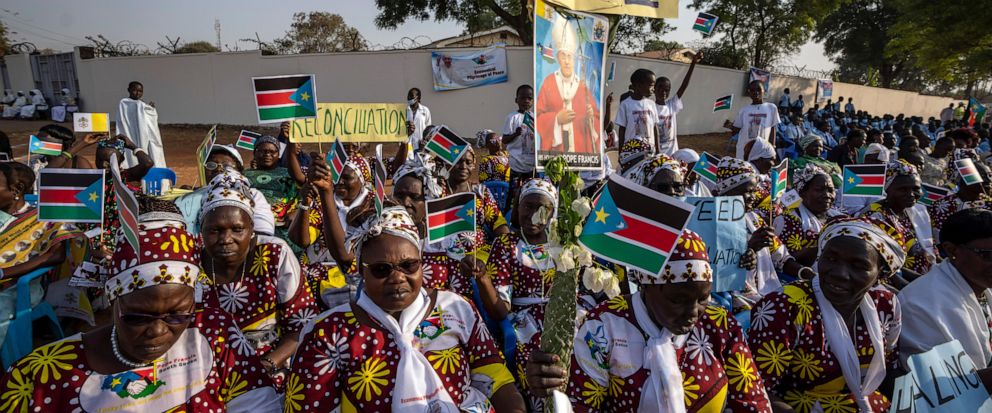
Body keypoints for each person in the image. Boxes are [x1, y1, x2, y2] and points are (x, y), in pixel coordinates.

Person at [2, 212, 282, 412]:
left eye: (177, 315)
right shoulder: (41, 375)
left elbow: (257, 402)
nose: (158, 331)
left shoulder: (213, 333)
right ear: (113, 303)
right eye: (137, 317)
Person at [286, 206, 526, 412]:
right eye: (381, 269)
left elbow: (494, 376)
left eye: (409, 265)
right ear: (361, 271)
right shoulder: (328, 332)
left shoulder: (456, 308)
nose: (397, 278)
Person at [525, 229, 772, 412]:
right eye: (678, 300)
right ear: (646, 286)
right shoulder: (603, 327)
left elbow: (752, 403)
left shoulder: (721, 326)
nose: (693, 311)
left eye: (703, 298)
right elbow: (583, 406)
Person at [748, 217, 905, 413]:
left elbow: (889, 370)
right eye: (831, 258)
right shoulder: (785, 306)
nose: (839, 273)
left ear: (880, 274)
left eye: (858, 266)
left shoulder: (886, 304)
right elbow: (757, 389)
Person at [197, 168, 318, 387]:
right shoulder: (191, 262)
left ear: (252, 228)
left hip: (271, 366)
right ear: (201, 230)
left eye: (237, 229)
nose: (226, 239)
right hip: (205, 371)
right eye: (214, 230)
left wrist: (265, 366)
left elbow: (302, 324)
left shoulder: (274, 254)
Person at [477, 179, 564, 410]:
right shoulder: (507, 244)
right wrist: (482, 278)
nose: (534, 213)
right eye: (528, 206)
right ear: (517, 208)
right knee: (539, 350)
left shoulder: (563, 244)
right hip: (526, 321)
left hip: (565, 312)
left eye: (542, 208)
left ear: (552, 212)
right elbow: (500, 309)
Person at [899, 208, 992, 368]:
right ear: (951, 250)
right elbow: (941, 385)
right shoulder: (920, 305)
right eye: (988, 255)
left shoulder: (981, 285)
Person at [859, 160, 935, 283]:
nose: (911, 194)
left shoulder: (918, 211)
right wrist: (923, 284)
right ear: (887, 189)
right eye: (903, 189)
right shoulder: (875, 216)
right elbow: (883, 266)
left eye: (916, 189)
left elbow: (931, 249)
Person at [174, 144, 275, 236]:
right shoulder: (190, 196)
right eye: (211, 165)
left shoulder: (253, 195)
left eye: (226, 165)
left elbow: (263, 232)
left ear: (239, 171)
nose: (219, 169)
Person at [535, 16, 600, 154]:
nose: (566, 61)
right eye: (563, 56)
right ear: (558, 58)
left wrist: (591, 117)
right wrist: (557, 119)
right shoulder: (548, 83)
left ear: (575, 59)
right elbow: (539, 116)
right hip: (556, 152)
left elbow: (596, 118)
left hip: (580, 151)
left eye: (569, 56)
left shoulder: (583, 87)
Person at [244, 135, 306, 244]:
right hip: (253, 228)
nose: (267, 155)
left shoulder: (290, 174)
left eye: (273, 152)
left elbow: (304, 194)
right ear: (254, 153)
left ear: (279, 155)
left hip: (283, 228)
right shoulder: (243, 176)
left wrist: (296, 212)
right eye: (263, 151)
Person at [774, 164, 836, 267]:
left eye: (830, 190)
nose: (827, 195)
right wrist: (822, 241)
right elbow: (784, 260)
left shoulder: (837, 216)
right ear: (802, 193)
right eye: (819, 190)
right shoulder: (788, 221)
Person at [654, 51, 702, 155]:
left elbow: (684, 85)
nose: (663, 92)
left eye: (666, 89)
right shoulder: (650, 108)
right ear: (654, 89)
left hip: (672, 153)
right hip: (656, 154)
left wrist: (693, 63)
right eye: (660, 88)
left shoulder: (671, 105)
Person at [929, 159, 991, 233]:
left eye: (990, 175)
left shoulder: (988, 203)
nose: (989, 180)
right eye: (983, 176)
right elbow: (939, 234)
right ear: (967, 179)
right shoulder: (944, 205)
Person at [117, 81, 166, 167]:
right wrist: (143, 107)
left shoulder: (141, 103)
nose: (137, 93)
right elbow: (125, 119)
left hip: (142, 133)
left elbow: (147, 118)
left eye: (140, 91)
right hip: (130, 133)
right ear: (129, 90)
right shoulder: (124, 103)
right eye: (135, 90)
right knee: (131, 156)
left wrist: (150, 109)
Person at [732, 80, 780, 159]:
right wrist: (731, 126)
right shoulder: (744, 110)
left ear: (764, 90)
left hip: (761, 149)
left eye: (758, 89)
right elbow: (736, 130)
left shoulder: (771, 108)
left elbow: (772, 128)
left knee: (759, 169)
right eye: (752, 90)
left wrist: (772, 147)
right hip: (744, 149)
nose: (756, 92)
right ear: (749, 93)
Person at [503, 84, 536, 194]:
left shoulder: (535, 118)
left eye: (529, 98)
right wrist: (515, 134)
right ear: (516, 100)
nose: (526, 101)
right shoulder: (512, 117)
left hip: (532, 165)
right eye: (523, 98)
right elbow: (504, 140)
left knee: (530, 193)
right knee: (515, 194)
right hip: (516, 164)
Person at [614, 68, 657, 149]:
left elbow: (655, 128)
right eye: (651, 85)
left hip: (650, 150)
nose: (653, 89)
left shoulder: (651, 104)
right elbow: (622, 130)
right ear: (638, 85)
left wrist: (658, 150)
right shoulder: (625, 104)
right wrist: (621, 152)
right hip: (631, 152)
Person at [406, 87, 432, 152]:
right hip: (408, 144)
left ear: (418, 97)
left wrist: (425, 141)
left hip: (421, 145)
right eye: (408, 95)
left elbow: (428, 129)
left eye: (411, 96)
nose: (409, 97)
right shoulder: (405, 110)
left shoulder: (425, 110)